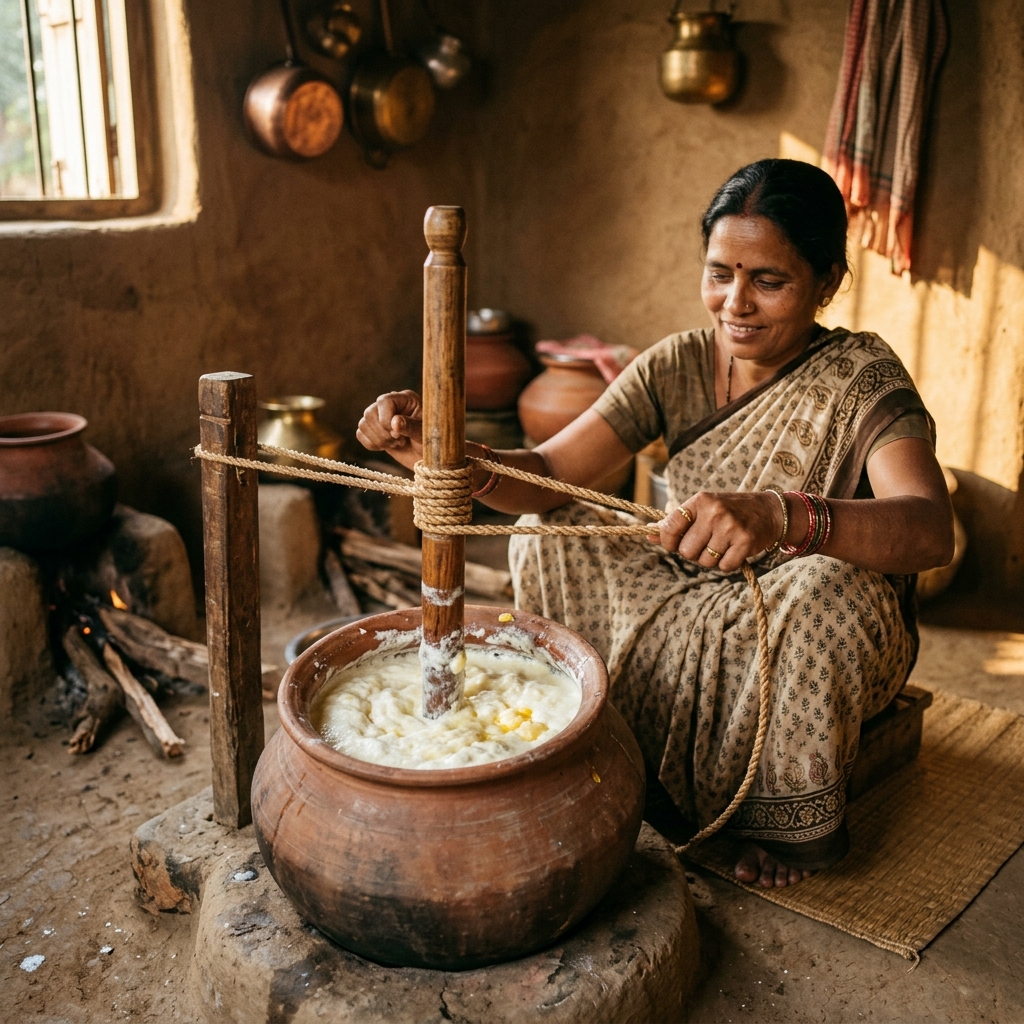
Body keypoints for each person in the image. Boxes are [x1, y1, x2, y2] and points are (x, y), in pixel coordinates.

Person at [357, 159, 954, 889]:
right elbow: (547, 477)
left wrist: (782, 516)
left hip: (803, 616)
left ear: (827, 281)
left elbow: (929, 529)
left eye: (769, 280)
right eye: (719, 273)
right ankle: (605, 750)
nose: (735, 302)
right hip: (692, 587)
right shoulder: (676, 364)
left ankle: (770, 821)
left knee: (824, 588)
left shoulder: (864, 376)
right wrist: (440, 451)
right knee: (552, 530)